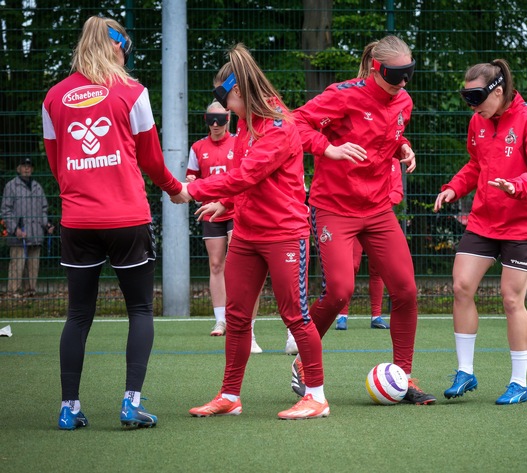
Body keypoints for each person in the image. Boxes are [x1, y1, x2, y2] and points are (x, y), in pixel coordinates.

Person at [173, 43, 329, 420]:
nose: (222, 108)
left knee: (296, 316)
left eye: (223, 97)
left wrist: (190, 190)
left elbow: (246, 175)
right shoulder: (245, 125)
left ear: (239, 91)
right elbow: (251, 182)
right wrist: (226, 205)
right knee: (237, 317)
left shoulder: (277, 126)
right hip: (246, 234)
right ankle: (230, 395)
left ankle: (317, 397)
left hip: (283, 234)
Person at [42, 16, 183, 430]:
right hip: (127, 219)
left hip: (78, 221)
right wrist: (175, 189)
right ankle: (130, 404)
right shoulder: (132, 92)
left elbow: (57, 163)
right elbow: (151, 158)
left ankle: (68, 409)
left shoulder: (54, 97)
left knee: (77, 315)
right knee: (139, 309)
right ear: (118, 46)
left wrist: (81, 189)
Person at [292, 35, 436, 405]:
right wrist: (330, 148)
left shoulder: (404, 101)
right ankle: (305, 361)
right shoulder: (343, 94)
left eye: (410, 73)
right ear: (376, 68)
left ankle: (403, 376)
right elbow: (296, 124)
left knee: (405, 290)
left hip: (377, 209)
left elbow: (387, 136)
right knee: (339, 291)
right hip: (334, 208)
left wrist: (401, 146)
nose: (403, 81)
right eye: (395, 73)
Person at [434, 59, 527, 405]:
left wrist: (517, 186)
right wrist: (454, 189)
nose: (472, 107)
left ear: (498, 92)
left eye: (476, 98)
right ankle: (465, 372)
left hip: (520, 225)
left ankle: (519, 382)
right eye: (467, 98)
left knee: (511, 299)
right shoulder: (478, 121)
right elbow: (475, 165)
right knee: (461, 286)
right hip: (483, 221)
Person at [186, 101, 263, 354]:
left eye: (220, 119)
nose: (216, 125)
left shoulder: (239, 142)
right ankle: (221, 318)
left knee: (239, 263)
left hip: (237, 208)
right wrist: (190, 183)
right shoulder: (197, 147)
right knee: (216, 264)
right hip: (211, 211)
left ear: (229, 117)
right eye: (211, 119)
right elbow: (192, 178)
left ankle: (243, 323)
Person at [335, 157, 403, 330]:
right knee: (351, 265)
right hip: (354, 217)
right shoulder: (358, 156)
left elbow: (397, 191)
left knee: (378, 268)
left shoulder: (393, 161)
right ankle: (342, 316)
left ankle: (376, 316)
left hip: (379, 219)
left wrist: (380, 206)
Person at [1, 157, 54, 297]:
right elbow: (5, 210)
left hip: (36, 233)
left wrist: (46, 224)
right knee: (17, 264)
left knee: (33, 264)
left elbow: (43, 209)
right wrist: (15, 229)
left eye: (29, 166)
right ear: (18, 168)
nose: (26, 168)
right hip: (19, 233)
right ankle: (13, 292)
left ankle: (30, 291)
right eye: (24, 166)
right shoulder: (11, 186)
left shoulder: (37, 186)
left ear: (32, 169)